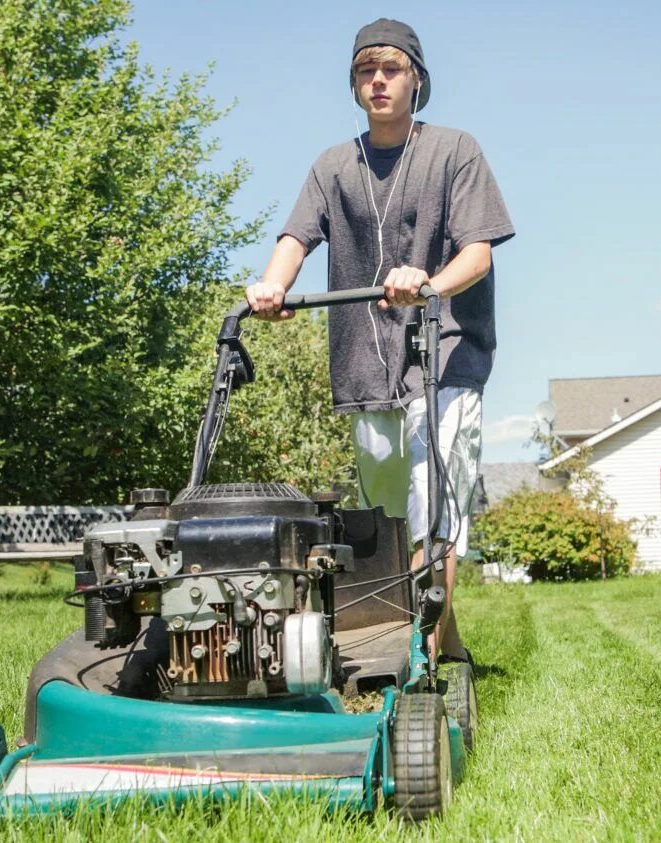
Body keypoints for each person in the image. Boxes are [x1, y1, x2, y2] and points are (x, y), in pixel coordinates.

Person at [245, 18, 514, 661]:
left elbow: (476, 255)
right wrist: (271, 287)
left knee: (434, 506)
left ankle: (422, 657)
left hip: (446, 352)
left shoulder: (455, 150)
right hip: (366, 364)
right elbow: (297, 238)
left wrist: (429, 283)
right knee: (390, 515)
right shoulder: (334, 165)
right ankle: (442, 645)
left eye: (391, 68)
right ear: (354, 84)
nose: (378, 79)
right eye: (366, 69)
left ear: (417, 78)